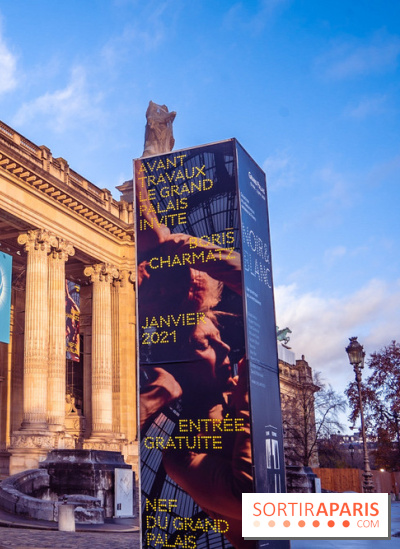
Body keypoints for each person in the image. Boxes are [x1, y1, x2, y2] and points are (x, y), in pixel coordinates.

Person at [136, 168, 254, 549]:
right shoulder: (182, 455)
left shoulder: (230, 402)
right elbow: (248, 500)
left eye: (218, 340)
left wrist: (186, 246)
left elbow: (252, 281)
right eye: (207, 343)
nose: (224, 349)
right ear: (182, 367)